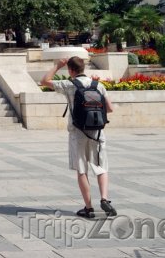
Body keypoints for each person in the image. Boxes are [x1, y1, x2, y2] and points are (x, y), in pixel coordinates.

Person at [40, 56, 116, 219]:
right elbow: (110, 109)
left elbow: (44, 81)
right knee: (101, 168)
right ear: (83, 68)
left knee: (82, 170)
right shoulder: (98, 85)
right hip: (97, 132)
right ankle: (104, 199)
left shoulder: (69, 85)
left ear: (71, 70)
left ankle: (89, 208)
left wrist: (58, 65)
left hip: (78, 133)